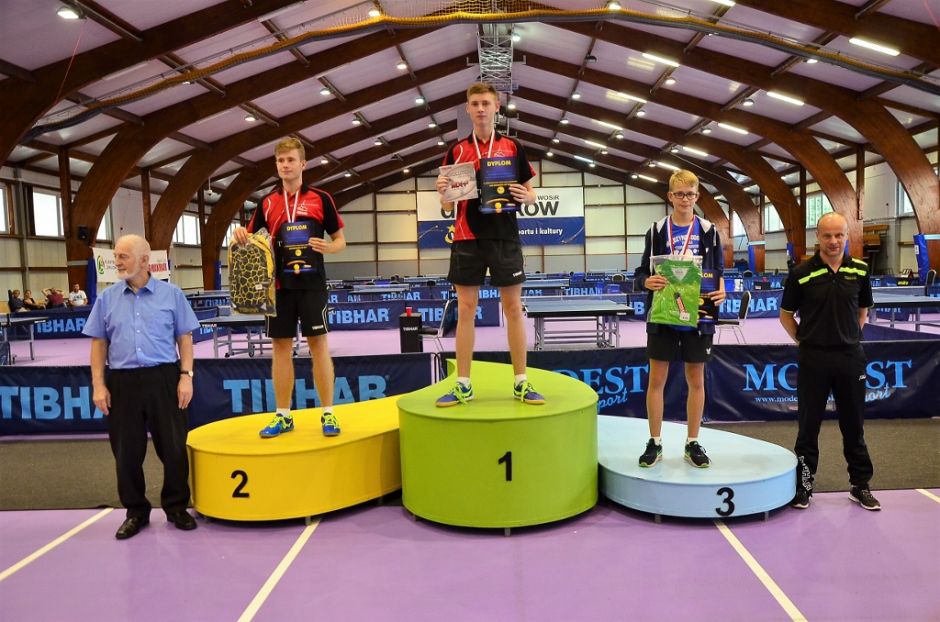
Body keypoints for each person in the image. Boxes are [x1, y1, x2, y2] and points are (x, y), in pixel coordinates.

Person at [83, 234, 201, 539]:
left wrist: (186, 376)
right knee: (126, 453)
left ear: (145, 260)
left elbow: (184, 338)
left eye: (123, 256)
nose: (117, 262)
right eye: (116, 256)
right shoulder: (106, 299)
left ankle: (176, 507)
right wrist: (98, 385)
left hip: (164, 378)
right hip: (122, 382)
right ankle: (136, 512)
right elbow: (98, 344)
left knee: (174, 449)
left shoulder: (172, 295)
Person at [433, 82, 544, 407]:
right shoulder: (457, 151)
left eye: (485, 103)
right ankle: (463, 384)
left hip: (504, 236)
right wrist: (442, 193)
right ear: (468, 109)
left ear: (497, 107)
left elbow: (530, 191)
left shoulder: (512, 147)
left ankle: (521, 382)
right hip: (466, 237)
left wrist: (528, 196)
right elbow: (447, 205)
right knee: (466, 309)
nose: (480, 109)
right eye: (475, 104)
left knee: (513, 309)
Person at [232, 137, 346, 438]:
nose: (285, 165)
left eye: (291, 160)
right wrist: (240, 234)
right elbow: (251, 238)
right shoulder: (267, 202)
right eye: (281, 161)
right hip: (277, 287)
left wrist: (329, 247)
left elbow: (340, 240)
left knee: (318, 345)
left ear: (302, 164)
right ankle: (283, 415)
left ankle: (328, 413)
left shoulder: (321, 199)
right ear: (276, 165)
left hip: (312, 284)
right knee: (280, 348)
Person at [780, 212, 880, 511]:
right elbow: (786, 316)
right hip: (814, 359)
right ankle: (804, 486)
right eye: (827, 235)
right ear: (818, 237)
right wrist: (805, 341)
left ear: (847, 236)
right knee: (808, 427)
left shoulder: (860, 270)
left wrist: (848, 337)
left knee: (854, 426)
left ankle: (860, 485)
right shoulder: (801, 273)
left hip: (851, 358)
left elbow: (862, 311)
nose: (833, 241)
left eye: (839, 235)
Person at [633, 170, 726, 468]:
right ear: (670, 196)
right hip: (663, 314)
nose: (685, 199)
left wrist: (722, 290)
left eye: (690, 194)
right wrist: (646, 282)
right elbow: (640, 273)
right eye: (679, 194)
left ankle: (693, 442)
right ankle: (655, 442)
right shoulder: (656, 230)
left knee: (696, 379)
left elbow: (719, 272)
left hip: (699, 316)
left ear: (697, 196)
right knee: (656, 380)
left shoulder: (710, 230)